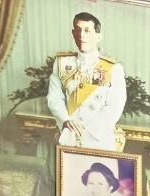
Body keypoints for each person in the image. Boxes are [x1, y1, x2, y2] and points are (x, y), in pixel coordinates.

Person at [47, 12, 127, 150]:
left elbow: (115, 106)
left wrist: (88, 132)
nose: (82, 35)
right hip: (69, 137)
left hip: (99, 140)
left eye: (87, 30)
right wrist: (66, 120)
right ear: (73, 33)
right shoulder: (61, 64)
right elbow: (54, 98)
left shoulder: (113, 68)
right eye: (78, 30)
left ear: (98, 36)